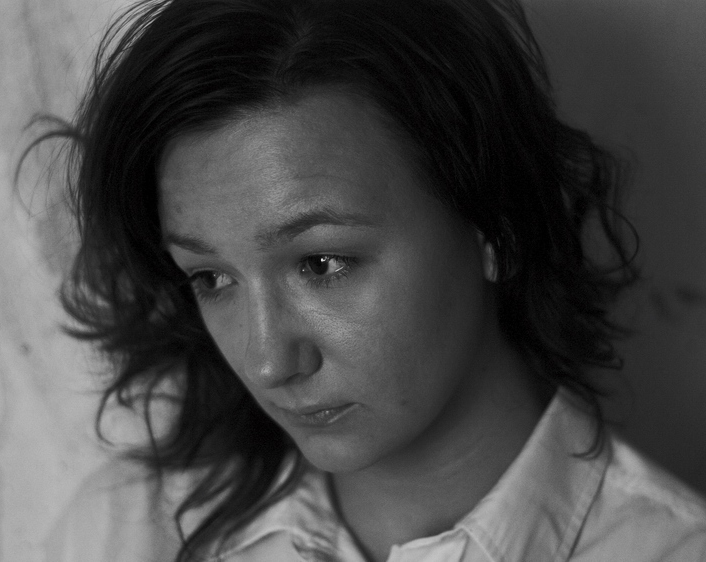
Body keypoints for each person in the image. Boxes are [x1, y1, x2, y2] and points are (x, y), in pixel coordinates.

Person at [38, 0, 706, 560]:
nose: (268, 361)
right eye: (212, 278)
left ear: (496, 228)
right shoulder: (127, 531)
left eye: (321, 264)